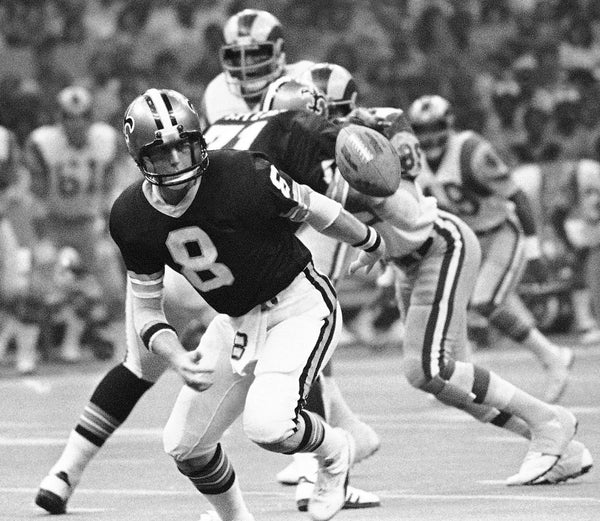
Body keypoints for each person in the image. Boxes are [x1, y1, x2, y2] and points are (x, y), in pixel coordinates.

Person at [39, 88, 386, 521]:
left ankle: (336, 451)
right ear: (140, 160)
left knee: (269, 426)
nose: (177, 162)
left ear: (198, 141)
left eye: (183, 148)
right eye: (162, 155)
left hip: (298, 305)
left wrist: (369, 239)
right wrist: (177, 357)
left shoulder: (242, 174)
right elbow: (146, 310)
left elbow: (315, 207)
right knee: (184, 446)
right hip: (235, 322)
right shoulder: (131, 216)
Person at [335, 119, 591, 487]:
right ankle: (560, 446)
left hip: (440, 246)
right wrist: (375, 246)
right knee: (445, 382)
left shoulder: (375, 132)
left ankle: (547, 414)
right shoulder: (323, 152)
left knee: (429, 367)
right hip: (408, 261)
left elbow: (402, 198)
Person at [201, 74, 380, 512]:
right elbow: (321, 202)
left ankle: (319, 461)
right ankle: (324, 457)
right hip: (274, 260)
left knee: (297, 370)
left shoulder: (229, 124)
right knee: (295, 371)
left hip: (252, 259)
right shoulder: (295, 132)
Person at [407, 94, 574, 404]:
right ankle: (458, 377)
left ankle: (553, 358)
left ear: (450, 124)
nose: (429, 137)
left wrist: (534, 252)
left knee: (485, 301)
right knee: (453, 305)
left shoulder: (471, 151)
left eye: (436, 128)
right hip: (466, 239)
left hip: (500, 233)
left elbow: (519, 198)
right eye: (421, 129)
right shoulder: (414, 160)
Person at [23, 85, 124, 363]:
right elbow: (37, 194)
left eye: (81, 116)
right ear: (60, 118)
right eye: (69, 116)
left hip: (88, 223)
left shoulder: (106, 139)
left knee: (114, 289)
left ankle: (121, 351)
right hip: (53, 223)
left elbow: (107, 191)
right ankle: (26, 352)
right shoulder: (43, 143)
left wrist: (104, 231)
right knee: (37, 286)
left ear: (91, 118)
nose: (76, 123)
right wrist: (42, 238)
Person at [201, 8, 314, 125]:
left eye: (256, 53)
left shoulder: (305, 79)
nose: (247, 64)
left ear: (279, 49)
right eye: (236, 55)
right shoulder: (217, 91)